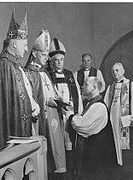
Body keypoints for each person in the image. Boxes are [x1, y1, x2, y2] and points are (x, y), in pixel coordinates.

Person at [25, 30, 66, 179]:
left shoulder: (44, 71)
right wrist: (48, 101)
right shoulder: (29, 72)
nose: (46, 58)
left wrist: (57, 97)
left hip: (52, 114)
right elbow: (33, 98)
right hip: (41, 117)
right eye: (43, 55)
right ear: (35, 54)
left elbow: (49, 91)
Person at [0, 12, 40, 150]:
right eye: (25, 44)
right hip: (11, 134)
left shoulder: (15, 65)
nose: (27, 49)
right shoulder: (4, 66)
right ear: (14, 44)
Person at [62, 77, 116, 179]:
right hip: (92, 154)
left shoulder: (99, 106)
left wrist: (70, 115)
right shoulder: (90, 103)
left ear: (94, 88)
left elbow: (83, 125)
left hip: (97, 156)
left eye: (86, 84)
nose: (82, 86)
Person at [48, 38, 83, 174]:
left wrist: (78, 112)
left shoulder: (69, 74)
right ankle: (60, 169)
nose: (59, 62)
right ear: (52, 61)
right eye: (56, 60)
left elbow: (78, 95)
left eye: (61, 60)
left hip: (69, 111)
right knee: (58, 141)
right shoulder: (49, 74)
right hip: (56, 112)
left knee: (70, 141)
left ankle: (71, 168)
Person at [104, 62, 133, 166]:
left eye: (117, 70)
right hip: (113, 117)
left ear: (123, 71)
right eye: (113, 71)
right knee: (115, 138)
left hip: (126, 117)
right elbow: (106, 103)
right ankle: (118, 162)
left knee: (125, 139)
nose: (115, 73)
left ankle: (126, 163)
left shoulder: (131, 84)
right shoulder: (111, 87)